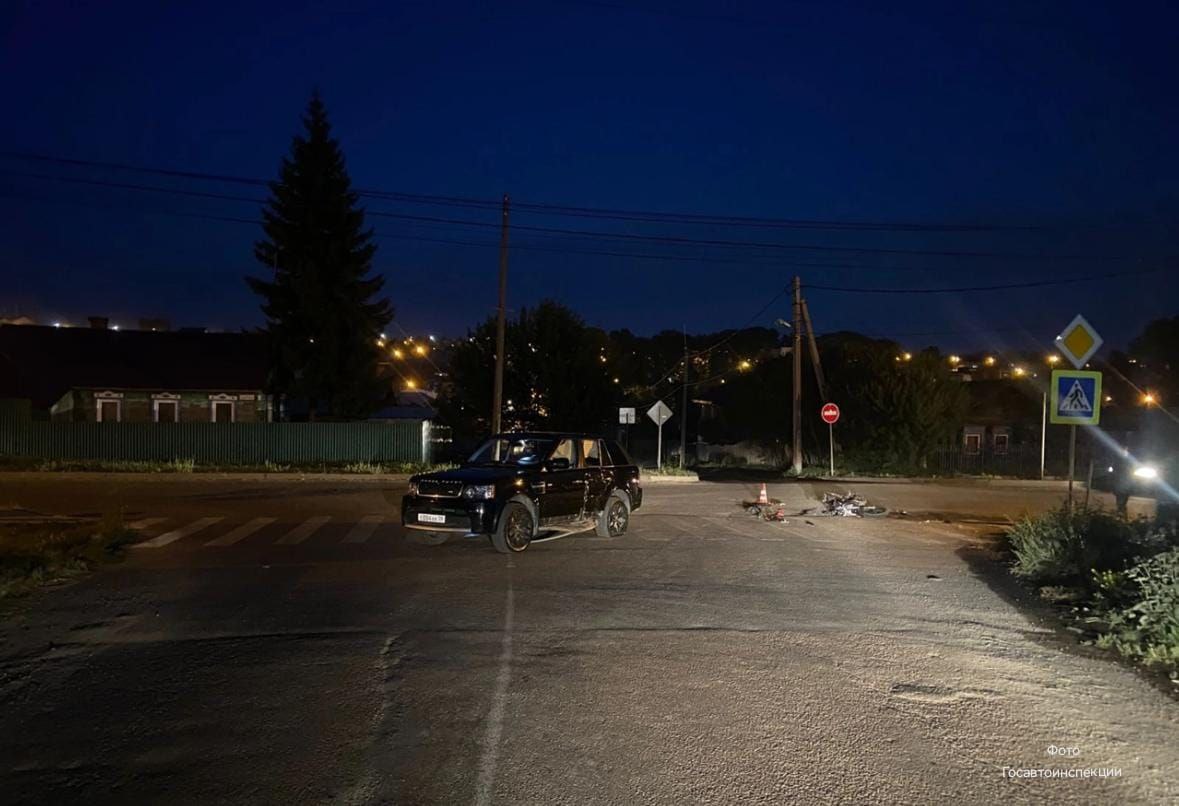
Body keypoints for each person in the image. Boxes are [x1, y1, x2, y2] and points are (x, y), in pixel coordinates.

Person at [1112, 445, 1133, 518]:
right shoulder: (1118, 459)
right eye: (1123, 450)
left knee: (1124, 497)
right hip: (1120, 481)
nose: (1124, 452)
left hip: (1127, 481)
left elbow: (1131, 469)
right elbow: (1115, 468)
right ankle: (1120, 511)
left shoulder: (1129, 460)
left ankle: (1121, 510)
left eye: (1126, 451)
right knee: (1119, 497)